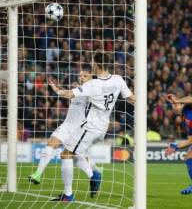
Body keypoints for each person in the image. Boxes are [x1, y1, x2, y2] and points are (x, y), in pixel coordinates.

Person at [47, 51, 135, 202]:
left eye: (93, 63)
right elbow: (132, 98)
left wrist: (56, 90)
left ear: (96, 65)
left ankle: (69, 195)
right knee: (79, 153)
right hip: (103, 127)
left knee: (66, 154)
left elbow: (69, 95)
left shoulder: (92, 84)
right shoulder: (118, 79)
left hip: (90, 127)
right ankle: (94, 174)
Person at [28, 68, 102, 199]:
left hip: (80, 129)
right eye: (80, 75)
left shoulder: (92, 91)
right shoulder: (79, 89)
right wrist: (57, 90)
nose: (81, 77)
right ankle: (38, 174)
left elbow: (71, 95)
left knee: (75, 157)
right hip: (67, 125)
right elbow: (69, 93)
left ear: (92, 78)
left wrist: (57, 90)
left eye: (85, 76)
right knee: (52, 144)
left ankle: (92, 176)